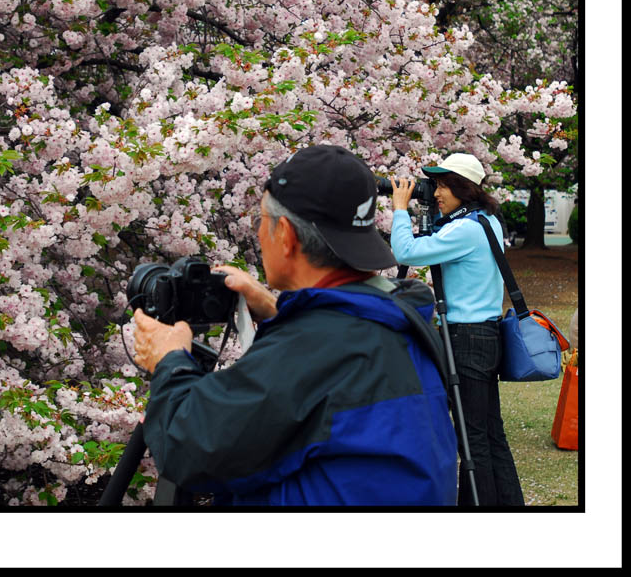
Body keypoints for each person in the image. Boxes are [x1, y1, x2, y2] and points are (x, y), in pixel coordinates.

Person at [131, 145, 458, 506]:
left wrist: (169, 360)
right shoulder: (400, 316)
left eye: (261, 222)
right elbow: (328, 387)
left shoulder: (318, 344)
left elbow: (189, 446)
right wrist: (275, 311)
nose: (259, 234)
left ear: (284, 234)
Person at [389, 152, 524, 507]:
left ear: (464, 188)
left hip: (466, 339)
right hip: (484, 335)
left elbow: (405, 250)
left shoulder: (465, 230)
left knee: (472, 438)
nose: (436, 193)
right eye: (435, 186)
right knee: (490, 433)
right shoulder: (485, 221)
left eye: (444, 186)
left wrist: (401, 209)